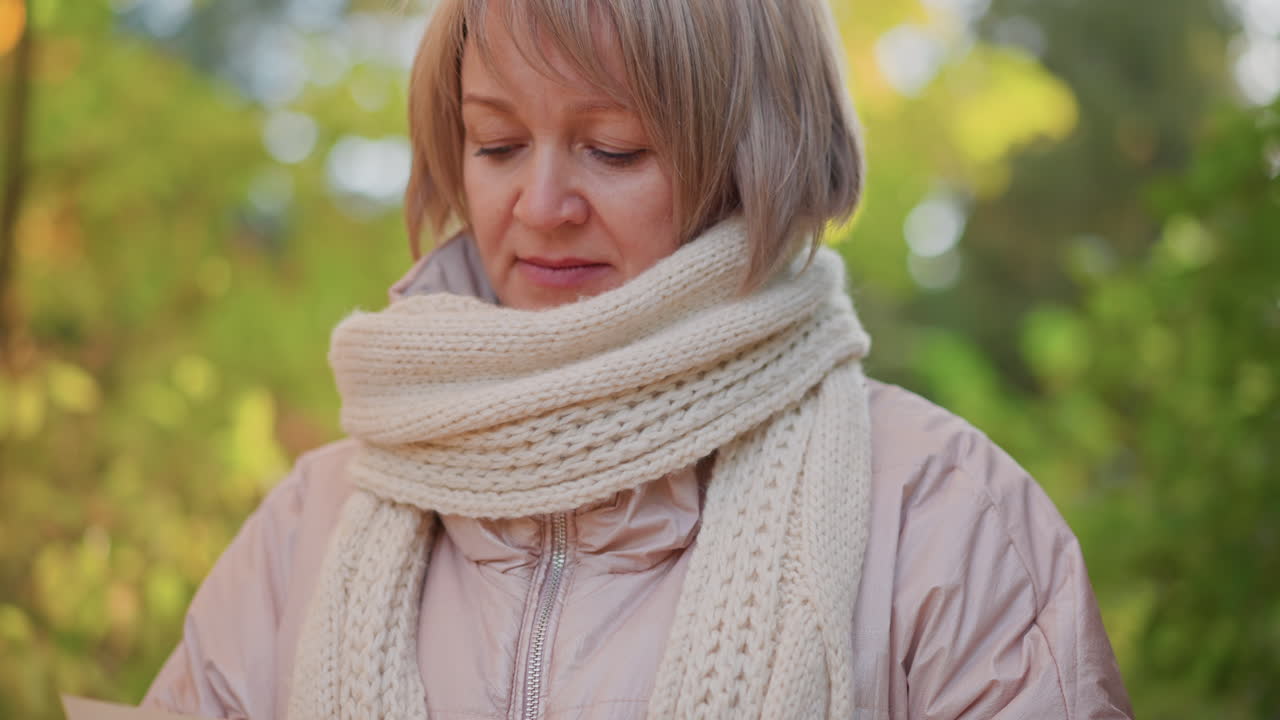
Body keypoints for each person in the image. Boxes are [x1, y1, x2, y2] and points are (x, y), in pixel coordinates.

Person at [142, 0, 1134, 718]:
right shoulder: (306, 530)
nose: (539, 206)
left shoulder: (939, 516)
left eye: (612, 150)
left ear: (761, 157)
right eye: (494, 145)